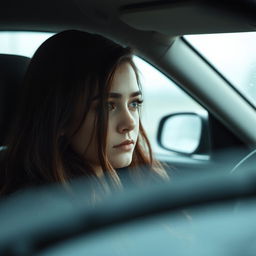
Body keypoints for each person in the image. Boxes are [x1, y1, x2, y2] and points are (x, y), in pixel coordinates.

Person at [0, 30, 168, 196]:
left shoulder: (127, 182)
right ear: (61, 118)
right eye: (107, 106)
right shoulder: (42, 207)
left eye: (134, 103)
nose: (130, 123)